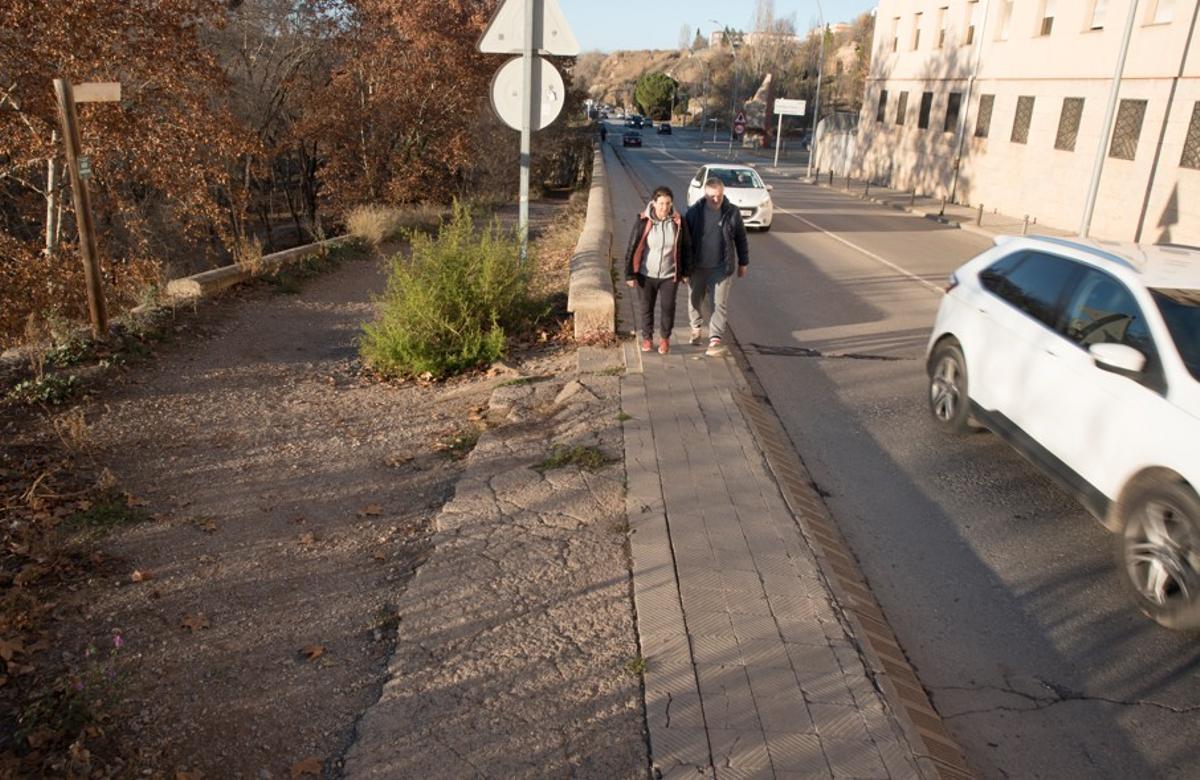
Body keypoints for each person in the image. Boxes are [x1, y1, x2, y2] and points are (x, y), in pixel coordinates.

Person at [684, 176, 749, 356]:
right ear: (705, 194)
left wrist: (743, 262)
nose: (716, 199)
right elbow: (686, 242)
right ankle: (696, 327)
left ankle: (715, 339)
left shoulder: (732, 212)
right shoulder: (694, 213)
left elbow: (741, 238)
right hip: (697, 266)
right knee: (694, 299)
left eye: (719, 196)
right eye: (712, 196)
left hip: (721, 266)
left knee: (718, 303)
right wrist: (684, 268)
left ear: (723, 193)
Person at [623, 185, 692, 354]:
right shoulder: (643, 221)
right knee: (646, 308)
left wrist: (686, 272)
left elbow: (686, 247)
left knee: (668, 307)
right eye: (661, 203)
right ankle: (647, 339)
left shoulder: (678, 222)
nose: (664, 207)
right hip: (646, 275)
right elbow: (632, 247)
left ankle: (665, 339)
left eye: (668, 203)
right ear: (653, 203)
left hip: (670, 275)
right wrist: (629, 274)